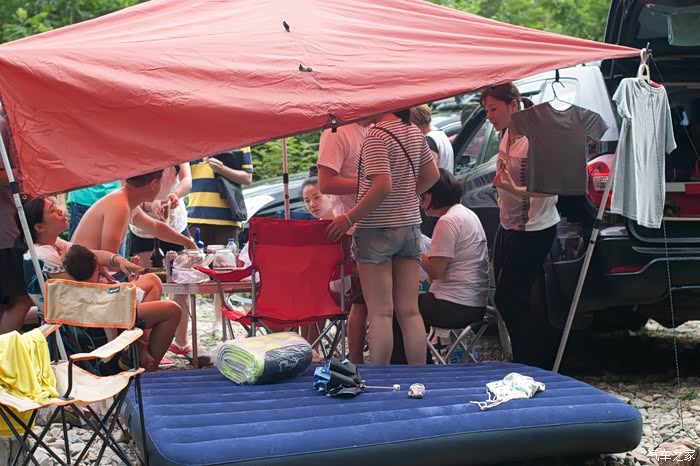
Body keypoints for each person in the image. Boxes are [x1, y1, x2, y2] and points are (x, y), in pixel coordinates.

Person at [326, 109, 440, 365]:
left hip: (375, 229)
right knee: (410, 312)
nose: (355, 113)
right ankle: (420, 377)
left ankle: (382, 378)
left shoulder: (377, 135)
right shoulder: (413, 131)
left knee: (380, 314)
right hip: (410, 227)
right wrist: (406, 196)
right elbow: (432, 175)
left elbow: (382, 185)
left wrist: (349, 218)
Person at [18, 196, 180, 371]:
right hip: (90, 316)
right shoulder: (43, 255)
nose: (60, 211)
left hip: (96, 303)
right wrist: (101, 275)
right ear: (39, 227)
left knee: (153, 280)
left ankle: (139, 344)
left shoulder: (54, 243)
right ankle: (145, 366)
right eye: (52, 210)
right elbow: (81, 290)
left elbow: (92, 255)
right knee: (172, 310)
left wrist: (117, 260)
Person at [481, 82, 560, 368]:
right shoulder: (506, 134)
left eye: (493, 109)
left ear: (513, 105)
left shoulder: (534, 137)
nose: (489, 116)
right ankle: (527, 358)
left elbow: (551, 186)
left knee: (510, 297)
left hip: (535, 228)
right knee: (510, 296)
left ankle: (531, 361)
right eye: (486, 110)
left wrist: (515, 188)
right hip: (509, 224)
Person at [391, 169, 489, 363]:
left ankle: (412, 367)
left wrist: (411, 246)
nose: (420, 202)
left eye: (423, 196)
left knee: (400, 309)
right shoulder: (466, 214)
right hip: (474, 303)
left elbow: (435, 270)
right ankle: (421, 363)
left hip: (455, 304)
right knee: (411, 306)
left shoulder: (448, 221)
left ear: (435, 195)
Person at [127, 163, 193, 359]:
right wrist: (149, 204)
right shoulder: (131, 148)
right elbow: (126, 188)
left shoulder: (178, 148)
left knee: (182, 282)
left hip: (174, 222)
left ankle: (181, 342)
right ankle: (148, 346)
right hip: (142, 224)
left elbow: (187, 179)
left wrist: (175, 195)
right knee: (145, 285)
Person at [317, 122, 369, 364]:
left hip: (385, 224)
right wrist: (374, 184)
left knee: (382, 303)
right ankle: (356, 361)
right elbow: (326, 183)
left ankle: (386, 360)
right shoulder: (336, 133)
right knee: (362, 300)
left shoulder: (380, 126)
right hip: (353, 229)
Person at [188, 148, 253, 331]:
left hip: (227, 217)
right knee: (189, 270)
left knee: (224, 271)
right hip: (196, 215)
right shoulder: (191, 141)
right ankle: (187, 325)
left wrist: (222, 169)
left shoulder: (241, 143)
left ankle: (219, 319)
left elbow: (247, 178)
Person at [0, 107, 32, 334]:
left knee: (12, 299)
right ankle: (6, 351)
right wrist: (27, 174)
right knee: (20, 297)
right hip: (6, 232)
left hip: (10, 228)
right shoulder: (3, 123)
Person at [410, 104, 454, 174]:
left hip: (439, 180)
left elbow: (429, 173)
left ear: (420, 124)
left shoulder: (429, 140)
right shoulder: (439, 133)